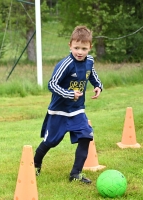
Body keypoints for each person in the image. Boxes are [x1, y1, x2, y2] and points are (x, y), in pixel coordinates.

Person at [33, 25, 103, 184]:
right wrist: (69, 94)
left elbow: (92, 75)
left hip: (77, 110)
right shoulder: (65, 64)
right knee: (51, 142)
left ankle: (75, 174)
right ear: (70, 45)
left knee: (86, 136)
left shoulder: (90, 61)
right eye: (76, 47)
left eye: (84, 48)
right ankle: (35, 163)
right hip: (59, 111)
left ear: (90, 48)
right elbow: (51, 84)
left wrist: (98, 86)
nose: (80, 52)